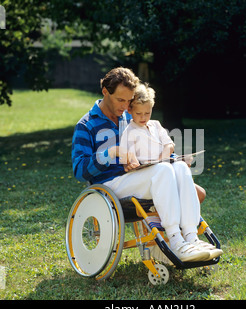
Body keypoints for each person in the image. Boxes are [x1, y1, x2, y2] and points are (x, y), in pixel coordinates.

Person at [72, 67, 222, 262]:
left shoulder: (131, 115)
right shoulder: (86, 125)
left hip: (142, 175)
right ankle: (176, 241)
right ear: (105, 92)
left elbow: (151, 147)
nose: (126, 106)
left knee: (180, 169)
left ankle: (192, 238)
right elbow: (79, 170)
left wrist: (175, 157)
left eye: (129, 100)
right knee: (162, 171)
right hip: (111, 184)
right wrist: (111, 152)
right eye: (120, 100)